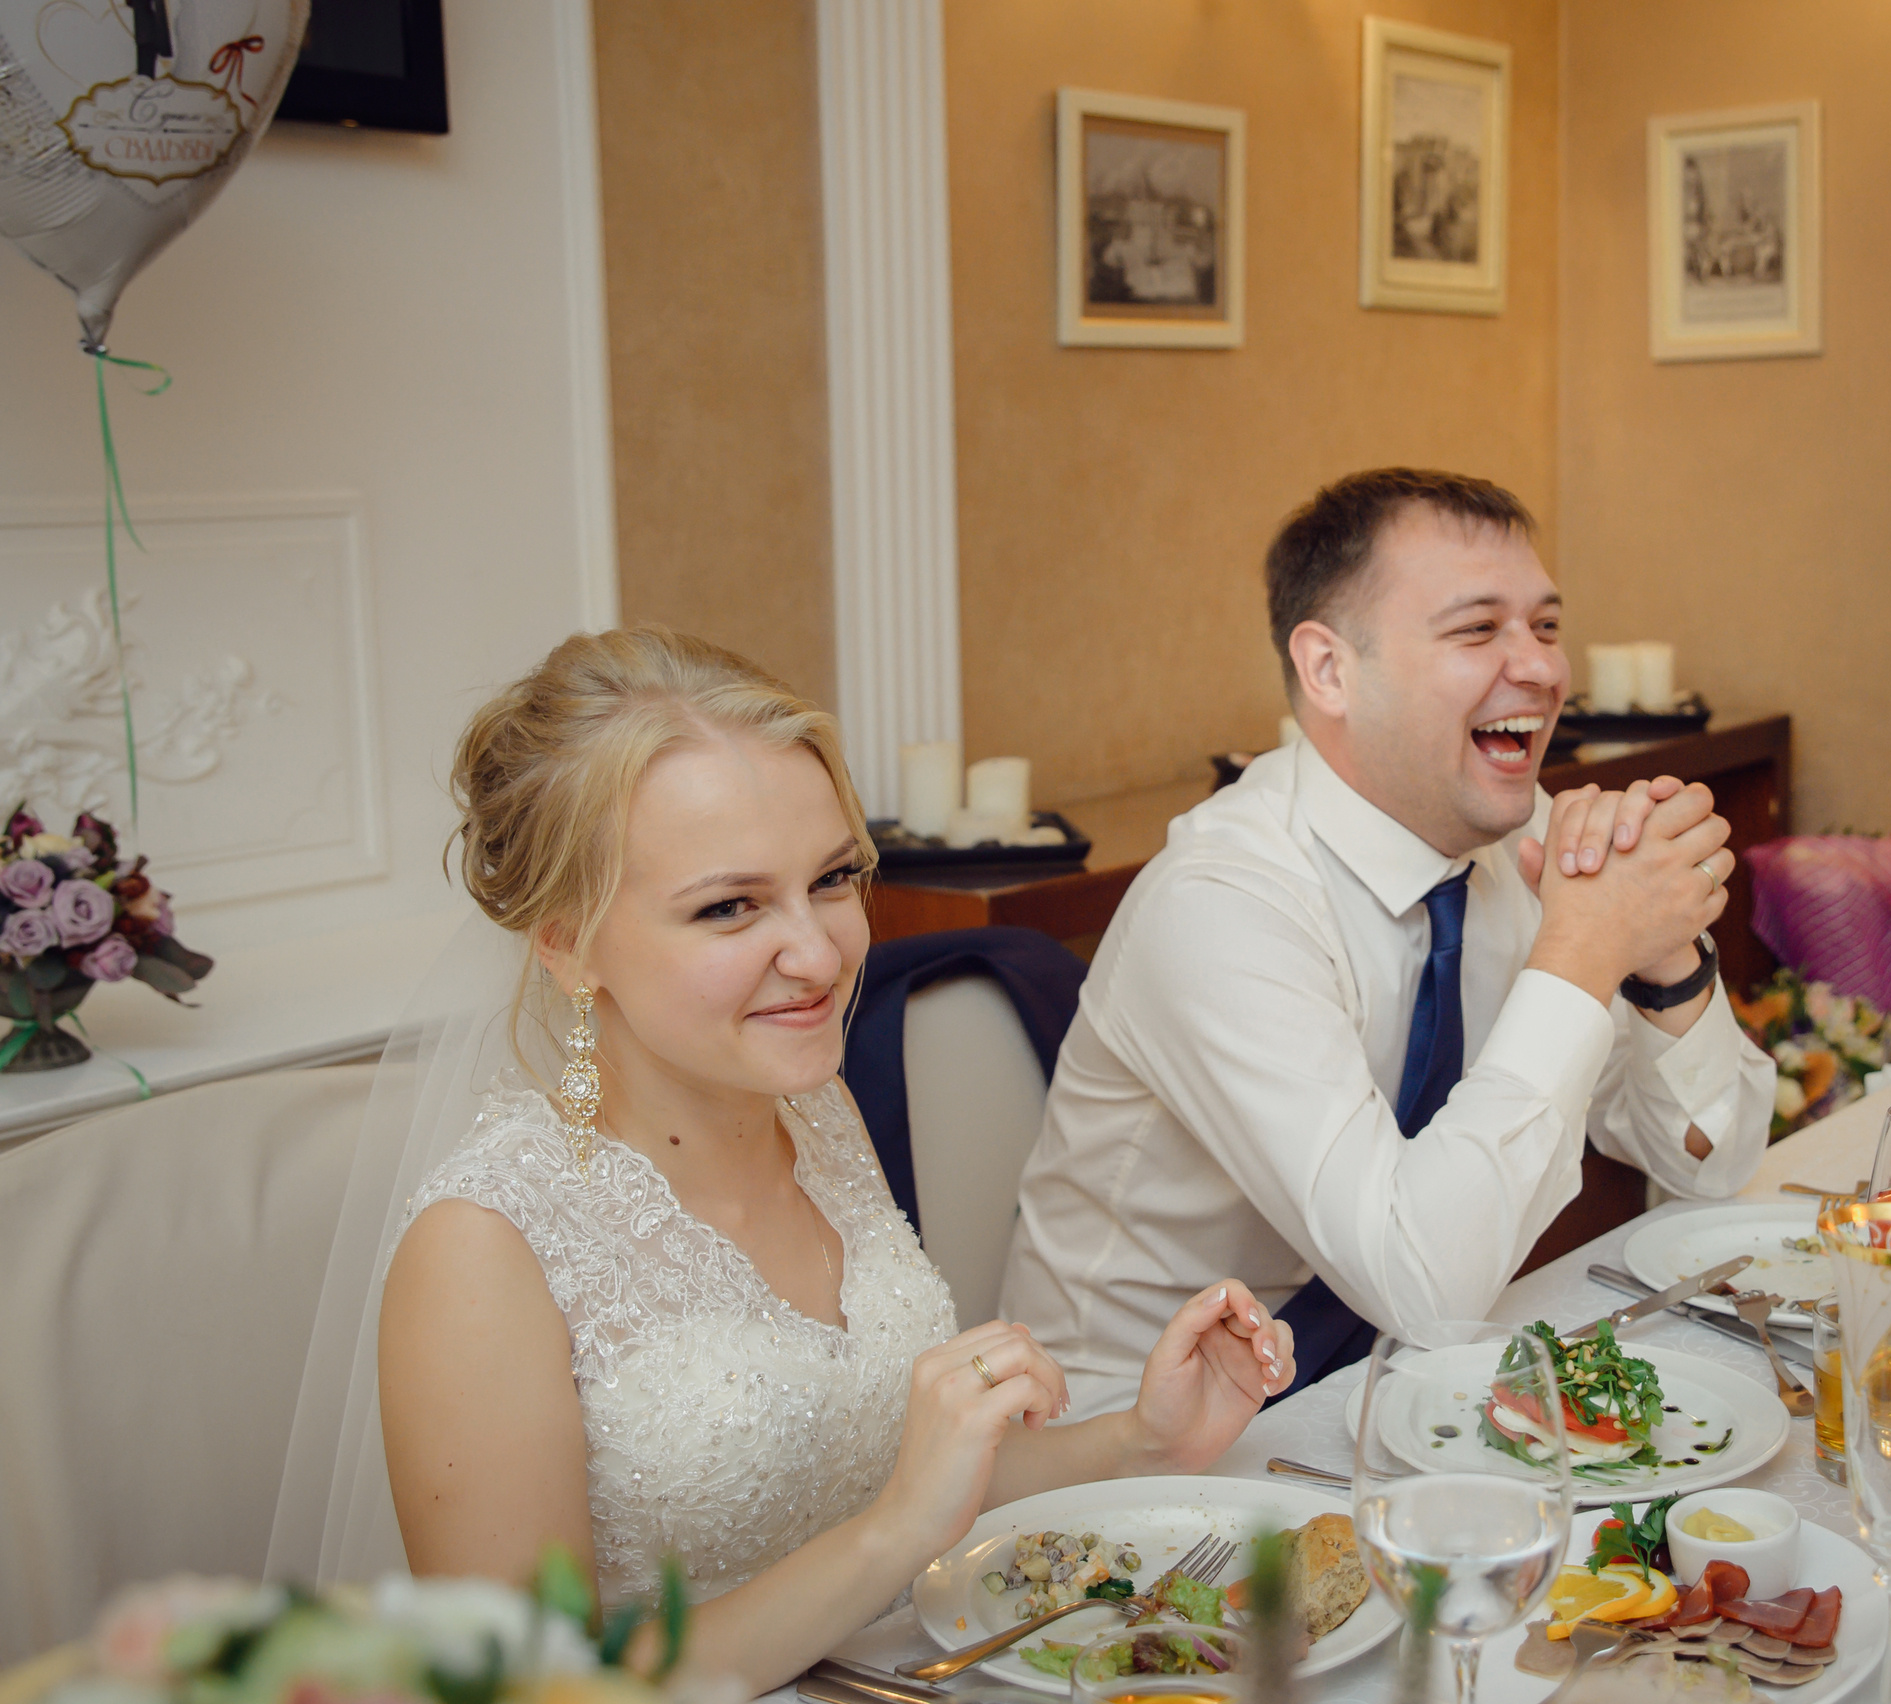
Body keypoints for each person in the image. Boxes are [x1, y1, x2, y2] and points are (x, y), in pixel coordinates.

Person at [281, 629, 1292, 1696]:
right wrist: (896, 1535)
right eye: (729, 907)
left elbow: (890, 1478)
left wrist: (1140, 1439)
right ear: (567, 943)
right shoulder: (484, 1249)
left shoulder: (813, 1108)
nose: (818, 955)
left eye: (832, 880)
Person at [1000, 468, 1776, 1409]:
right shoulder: (1221, 902)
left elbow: (1709, 1161)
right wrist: (1580, 953)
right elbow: (1421, 1281)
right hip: (1150, 1457)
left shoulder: (1520, 841)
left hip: (1406, 1394)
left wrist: (1661, 958)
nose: (1538, 667)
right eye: (1478, 629)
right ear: (1330, 670)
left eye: (1545, 626)